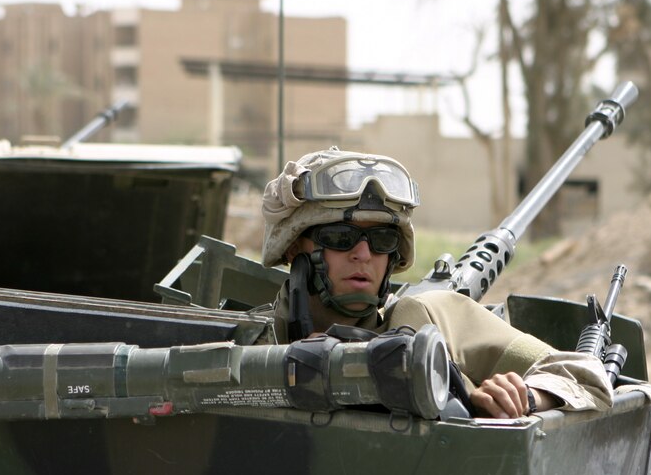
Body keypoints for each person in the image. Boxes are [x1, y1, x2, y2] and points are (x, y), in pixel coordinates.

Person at [253, 147, 613, 419]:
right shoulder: (252, 342)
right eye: (340, 237)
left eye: (382, 240)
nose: (363, 254)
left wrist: (527, 396)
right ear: (294, 248)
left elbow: (586, 373)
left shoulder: (425, 317)